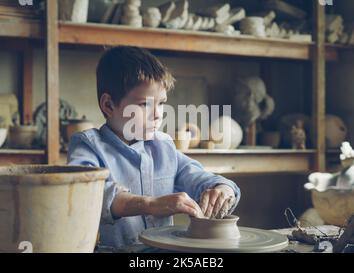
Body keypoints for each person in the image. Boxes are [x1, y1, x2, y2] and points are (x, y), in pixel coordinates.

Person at [67, 46, 241, 248]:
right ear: (108, 105)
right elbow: (86, 193)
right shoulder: (88, 145)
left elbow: (198, 177)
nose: (157, 114)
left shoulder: (163, 146)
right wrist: (151, 204)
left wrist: (222, 189)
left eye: (161, 103)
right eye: (145, 104)